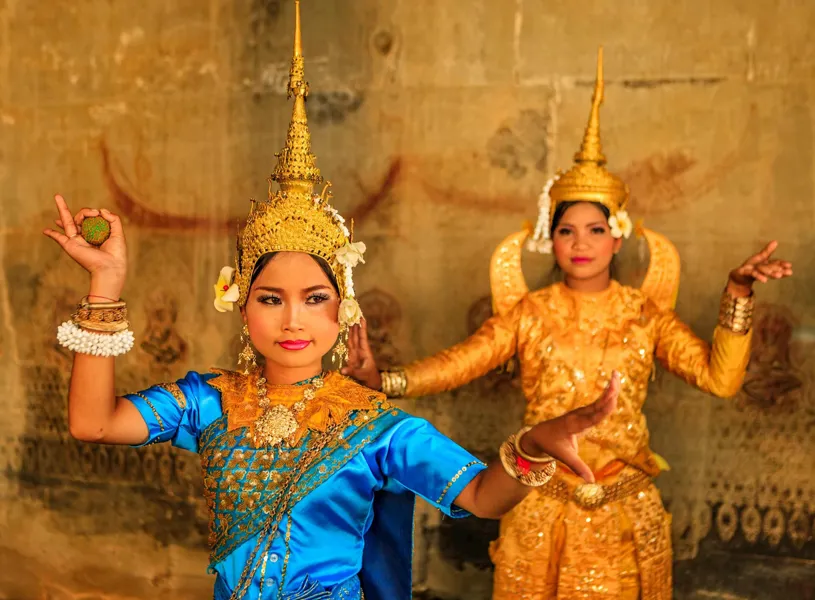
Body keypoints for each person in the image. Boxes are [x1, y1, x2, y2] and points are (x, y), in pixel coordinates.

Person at [42, 4, 621, 599]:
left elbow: (480, 497)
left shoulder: (372, 426)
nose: (293, 319)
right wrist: (106, 284)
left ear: (342, 307)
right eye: (271, 299)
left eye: (315, 298)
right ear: (241, 306)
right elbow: (93, 423)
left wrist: (530, 447)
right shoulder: (210, 402)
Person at [343, 48, 793, 599]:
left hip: (627, 512)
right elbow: (460, 363)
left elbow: (721, 380)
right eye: (567, 231)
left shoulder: (645, 313)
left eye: (595, 230)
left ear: (618, 237)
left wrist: (739, 292)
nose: (581, 243)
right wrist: (384, 381)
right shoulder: (530, 314)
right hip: (540, 507)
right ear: (548, 238)